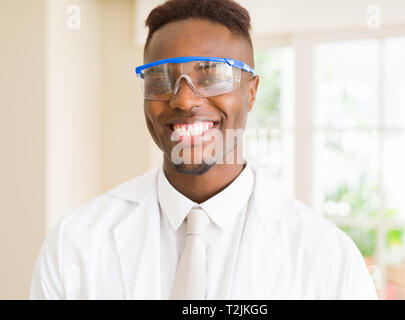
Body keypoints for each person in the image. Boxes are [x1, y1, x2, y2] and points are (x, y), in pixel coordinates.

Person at [30, 0, 377, 300]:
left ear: (251, 92)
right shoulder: (75, 242)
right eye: (161, 78)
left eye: (212, 75)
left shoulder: (330, 258)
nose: (183, 99)